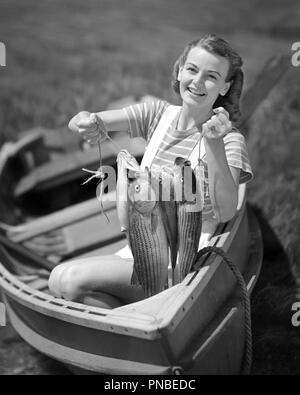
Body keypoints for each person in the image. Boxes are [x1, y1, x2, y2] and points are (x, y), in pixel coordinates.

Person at [48, 34, 253, 307]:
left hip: (184, 263)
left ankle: (147, 320)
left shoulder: (229, 140)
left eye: (212, 77)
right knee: (63, 284)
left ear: (225, 87)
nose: (197, 82)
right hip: (141, 246)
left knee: (68, 279)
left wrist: (213, 143)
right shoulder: (159, 114)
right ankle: (139, 330)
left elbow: (227, 211)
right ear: (180, 70)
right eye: (192, 70)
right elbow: (89, 120)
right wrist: (85, 121)